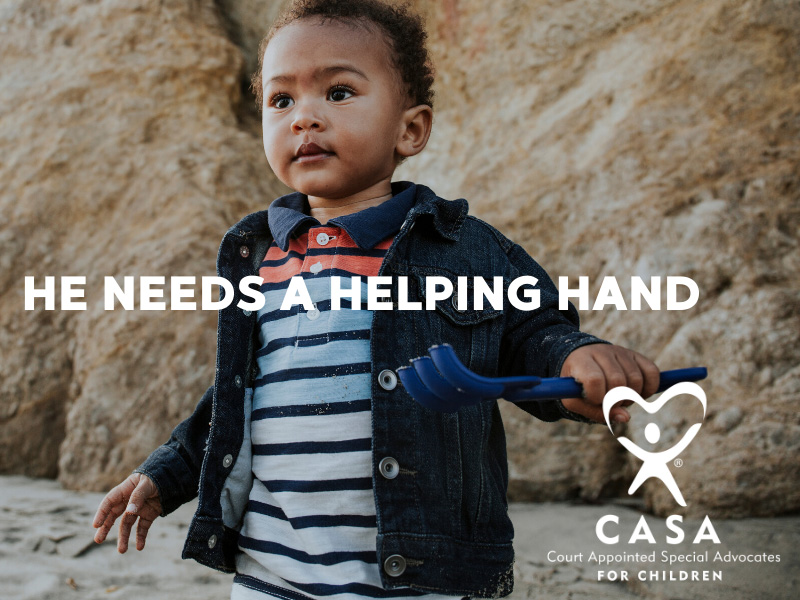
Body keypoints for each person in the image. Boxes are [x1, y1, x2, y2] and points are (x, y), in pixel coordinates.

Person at [92, 1, 660, 598]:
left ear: (409, 129)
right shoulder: (259, 257)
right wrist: (167, 474)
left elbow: (530, 334)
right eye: (281, 101)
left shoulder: (459, 247)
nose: (304, 118)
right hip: (273, 569)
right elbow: (235, 397)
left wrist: (577, 362)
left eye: (338, 92)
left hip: (420, 573)